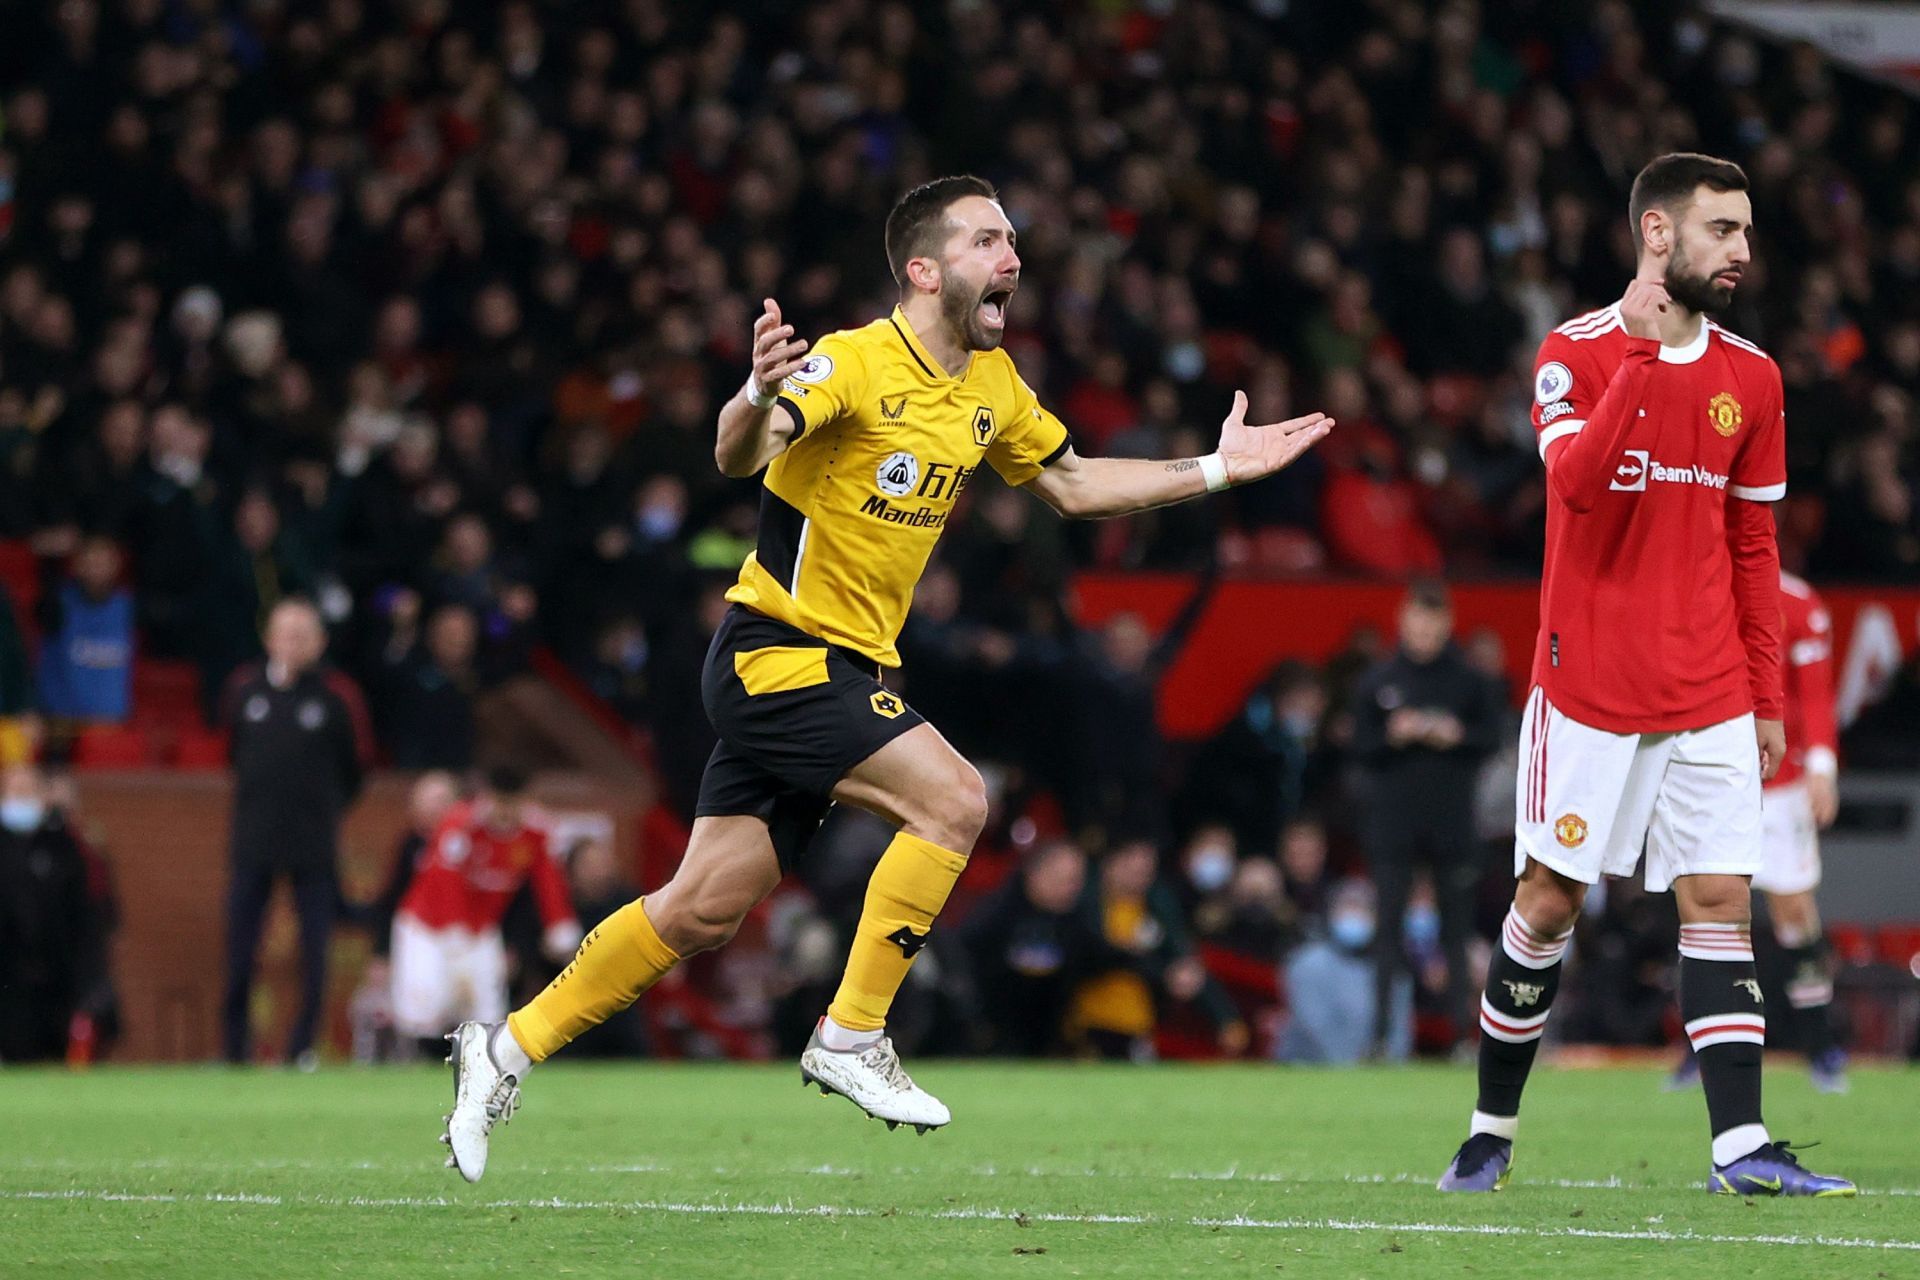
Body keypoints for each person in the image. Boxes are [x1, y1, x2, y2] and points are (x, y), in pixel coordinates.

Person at [442, 174, 1334, 1181]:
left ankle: (501, 1048)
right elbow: (744, 453)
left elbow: (1075, 483)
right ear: (923, 268)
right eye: (989, 241)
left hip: (845, 664)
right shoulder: (853, 363)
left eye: (1013, 241)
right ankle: (852, 1031)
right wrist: (751, 395)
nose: (1014, 259)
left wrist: (1213, 468)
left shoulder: (990, 386)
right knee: (956, 798)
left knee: (701, 907)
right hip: (778, 652)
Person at [1437, 154, 1853, 1196]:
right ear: (1659, 235)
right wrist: (1637, 354)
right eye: (1724, 230)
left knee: (1721, 900)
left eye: (1748, 231)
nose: (1745, 251)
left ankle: (1740, 1146)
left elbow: (1754, 548)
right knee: (1547, 903)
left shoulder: (1754, 376)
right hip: (1588, 690)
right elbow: (1575, 487)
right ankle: (1490, 1127)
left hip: (1709, 685)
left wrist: (1764, 696)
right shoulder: (1571, 352)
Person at [1669, 570, 1848, 1093]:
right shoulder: (1693, 589)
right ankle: (1696, 1050)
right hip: (1708, 778)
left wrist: (1822, 768)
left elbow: (1815, 695)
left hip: (1782, 784)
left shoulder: (1798, 603)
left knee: (1793, 912)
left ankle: (1821, 1045)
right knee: (1705, 915)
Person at [1348, 579, 1504, 1053]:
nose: (1423, 630)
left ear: (1446, 623)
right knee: (1388, 931)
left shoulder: (1469, 681)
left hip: (1452, 822)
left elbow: (1491, 739)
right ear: (1403, 619)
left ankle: (1459, 1035)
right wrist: (1393, 735)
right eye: (1416, 619)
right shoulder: (1377, 680)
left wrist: (1456, 735)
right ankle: (1381, 1036)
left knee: (1456, 934)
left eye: (1432, 621)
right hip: (1394, 823)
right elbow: (1359, 746)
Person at [219, 597, 373, 1067]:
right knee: (240, 951)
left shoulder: (337, 695)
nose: (294, 642)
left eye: (305, 634)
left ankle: (302, 1048)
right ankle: (234, 1051)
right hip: (253, 842)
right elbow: (234, 754)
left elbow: (356, 768)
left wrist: (321, 811)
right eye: (287, 632)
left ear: (320, 641)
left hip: (313, 847)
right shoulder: (245, 690)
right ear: (269, 637)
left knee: (314, 954)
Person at [391, 768, 580, 1053]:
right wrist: (457, 942)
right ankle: (410, 1066)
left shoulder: (536, 833)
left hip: (481, 930)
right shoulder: (461, 824)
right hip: (429, 927)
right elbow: (446, 880)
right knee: (425, 1009)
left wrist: (560, 928)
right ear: (486, 797)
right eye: (499, 802)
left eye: (513, 804)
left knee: (486, 1015)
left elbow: (548, 882)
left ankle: (480, 1080)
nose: (505, 812)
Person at [0, 763, 116, 1062]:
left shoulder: (66, 848)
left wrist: (92, 988)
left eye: (28, 792)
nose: (21, 800)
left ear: (43, 797)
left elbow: (89, 921)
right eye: (15, 791)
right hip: (10, 987)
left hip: (60, 983)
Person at [1277, 879, 1412, 1065]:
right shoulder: (1307, 963)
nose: (1354, 915)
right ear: (1331, 914)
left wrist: (1389, 1062)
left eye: (1362, 909)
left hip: (1375, 1072)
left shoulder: (1392, 967)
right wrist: (1353, 1062)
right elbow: (1316, 1025)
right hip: (1310, 1067)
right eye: (1347, 907)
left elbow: (1399, 1028)